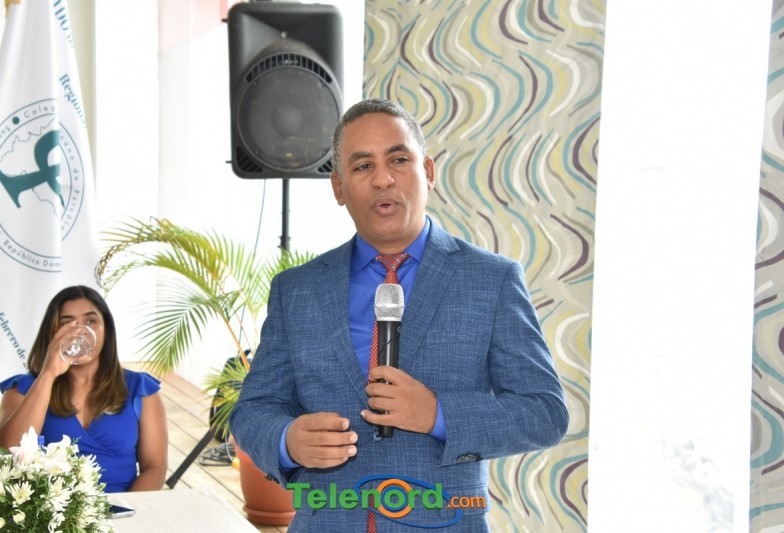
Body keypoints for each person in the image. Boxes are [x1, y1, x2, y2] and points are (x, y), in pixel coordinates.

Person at [230, 98, 569, 531]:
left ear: (427, 172)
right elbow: (253, 410)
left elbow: (544, 412)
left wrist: (438, 414)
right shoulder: (296, 290)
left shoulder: (492, 280)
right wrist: (286, 440)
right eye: (363, 166)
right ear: (338, 188)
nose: (383, 179)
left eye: (398, 159)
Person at [0, 285, 168, 493]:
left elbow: (155, 468)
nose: (80, 331)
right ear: (52, 333)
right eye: (67, 323)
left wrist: (127, 509)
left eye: (91, 321)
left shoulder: (140, 389)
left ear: (106, 330)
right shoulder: (23, 389)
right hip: (52, 509)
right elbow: (9, 450)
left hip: (125, 507)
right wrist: (48, 374)